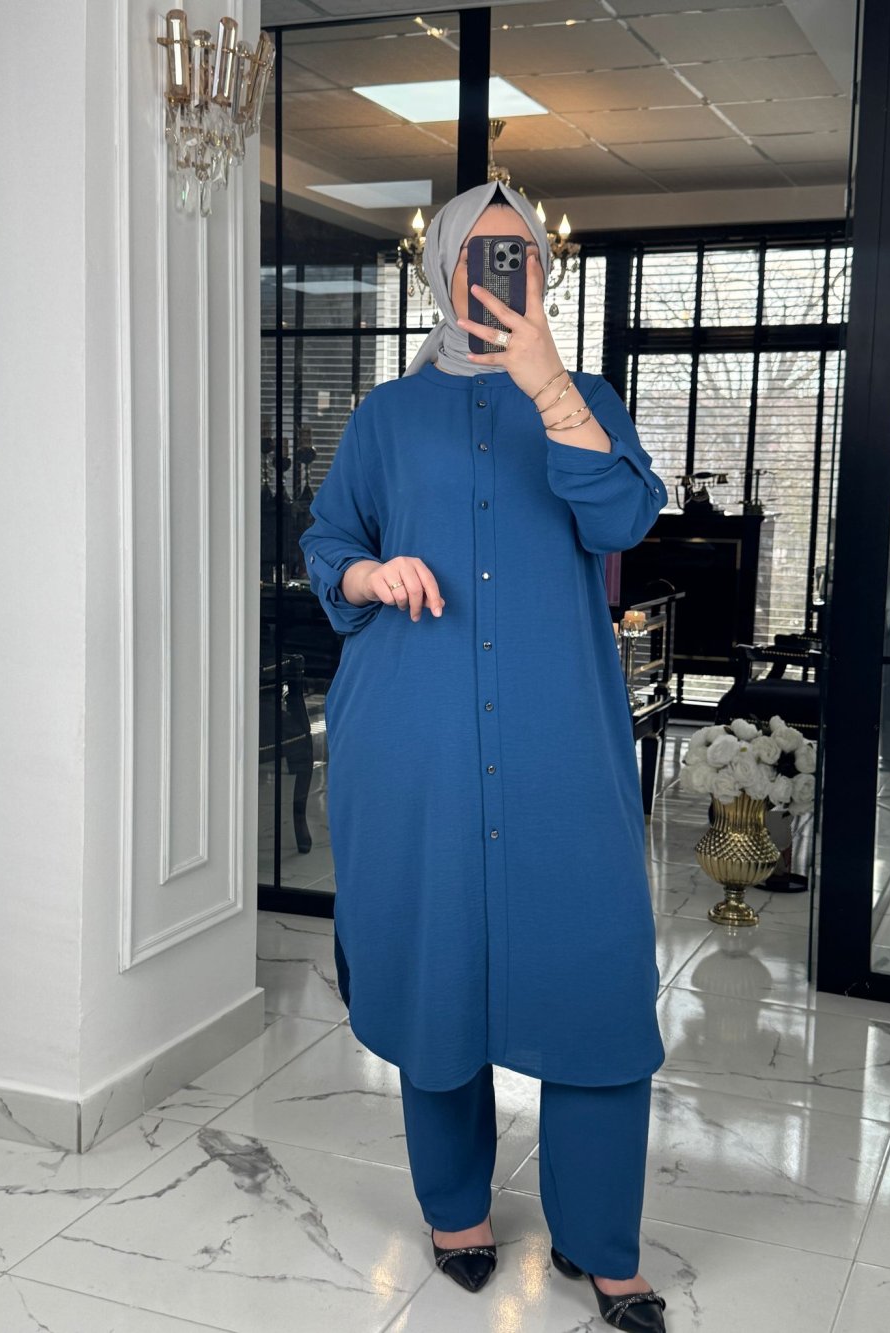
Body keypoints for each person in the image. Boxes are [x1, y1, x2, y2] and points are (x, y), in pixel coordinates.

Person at [299, 180, 669, 1331]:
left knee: (598, 979)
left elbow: (623, 519)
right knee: (436, 964)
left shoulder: (584, 399)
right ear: (442, 272)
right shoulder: (387, 416)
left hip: (562, 744)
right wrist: (369, 574)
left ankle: (602, 1244)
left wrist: (547, 383)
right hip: (412, 741)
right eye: (481, 254)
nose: (504, 273)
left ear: (545, 276)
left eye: (522, 256)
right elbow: (330, 540)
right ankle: (455, 1209)